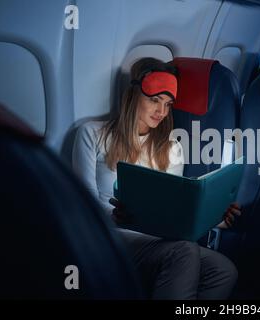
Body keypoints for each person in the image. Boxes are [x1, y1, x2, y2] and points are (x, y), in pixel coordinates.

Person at [72, 57, 240, 299]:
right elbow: (83, 203)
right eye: (154, 100)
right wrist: (114, 215)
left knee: (223, 270)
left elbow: (176, 213)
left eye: (169, 104)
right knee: (184, 252)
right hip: (110, 236)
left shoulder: (171, 149)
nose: (162, 112)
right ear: (133, 96)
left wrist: (216, 217)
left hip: (157, 240)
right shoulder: (92, 134)